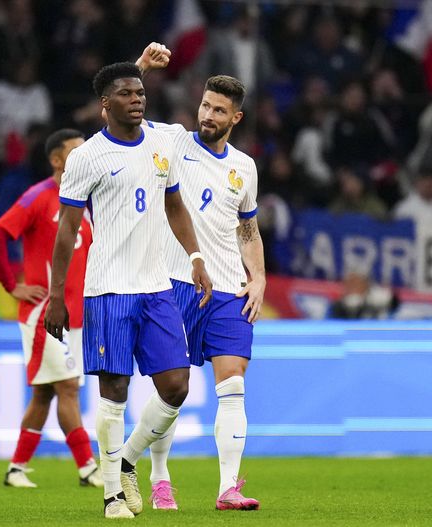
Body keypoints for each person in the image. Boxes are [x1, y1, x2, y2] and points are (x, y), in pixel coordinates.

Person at [43, 61, 212, 519]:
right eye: (126, 93)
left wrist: (196, 258)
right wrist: (57, 296)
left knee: (176, 386)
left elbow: (175, 204)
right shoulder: (87, 157)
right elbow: (67, 231)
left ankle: (128, 460)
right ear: (105, 105)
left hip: (157, 287)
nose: (138, 98)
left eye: (141, 92)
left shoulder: (161, 142)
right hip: (108, 290)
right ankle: (113, 495)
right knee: (114, 391)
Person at [135, 46, 263, 511]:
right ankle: (159, 476)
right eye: (206, 106)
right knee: (172, 390)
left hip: (229, 288)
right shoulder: (172, 141)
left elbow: (248, 228)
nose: (208, 115)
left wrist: (260, 278)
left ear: (236, 117)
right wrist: (141, 69)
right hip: (175, 282)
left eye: (219, 110)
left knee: (233, 383)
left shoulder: (244, 167)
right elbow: (122, 114)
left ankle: (229, 487)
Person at [0, 128, 102, 489]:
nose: (84, 158)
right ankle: (88, 468)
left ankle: (16, 468)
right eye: (76, 152)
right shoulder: (39, 196)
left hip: (77, 316)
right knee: (68, 387)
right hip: (45, 315)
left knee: (45, 392)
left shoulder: (84, 201)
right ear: (56, 160)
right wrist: (12, 285)